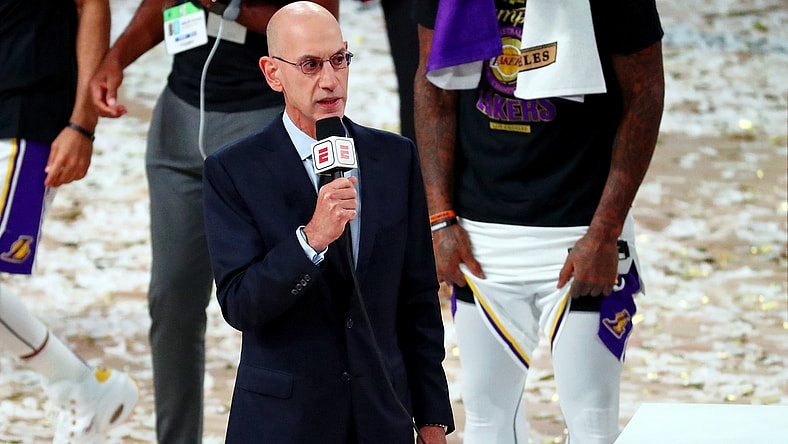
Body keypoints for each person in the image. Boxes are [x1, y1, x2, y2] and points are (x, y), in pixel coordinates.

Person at [202, 2, 454, 443]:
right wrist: (311, 240)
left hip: (380, 419)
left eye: (339, 60)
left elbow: (417, 299)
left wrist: (432, 420)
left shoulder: (394, 159)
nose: (330, 80)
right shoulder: (235, 171)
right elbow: (240, 304)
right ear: (272, 73)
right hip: (284, 424)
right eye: (310, 65)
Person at [414, 0, 664, 443]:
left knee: (591, 423)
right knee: (487, 421)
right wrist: (438, 221)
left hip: (581, 235)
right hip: (479, 235)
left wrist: (605, 232)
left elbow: (645, 95)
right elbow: (433, 87)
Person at [89, 1, 337, 441]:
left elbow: (320, 22)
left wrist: (226, 5)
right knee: (172, 302)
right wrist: (117, 57)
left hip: (259, 124)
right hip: (178, 123)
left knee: (283, 300)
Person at [0, 0, 139, 442]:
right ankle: (79, 385)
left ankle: (78, 384)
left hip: (26, 116)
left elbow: (92, 5)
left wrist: (82, 122)